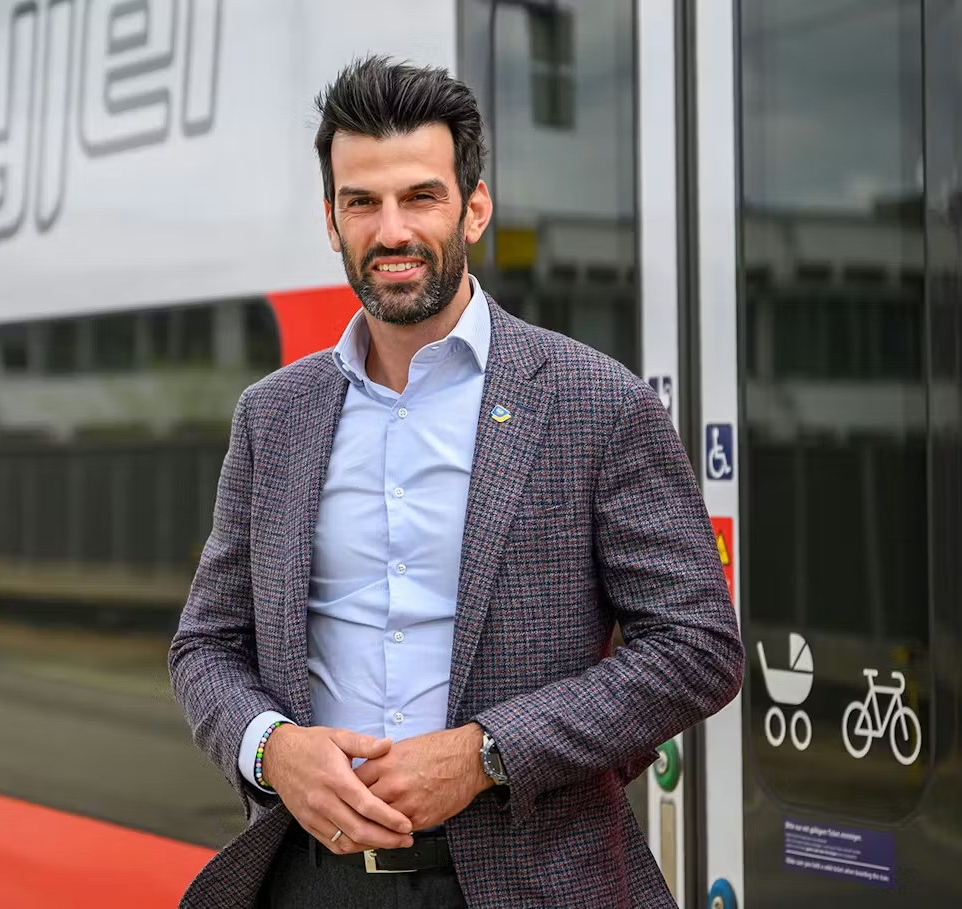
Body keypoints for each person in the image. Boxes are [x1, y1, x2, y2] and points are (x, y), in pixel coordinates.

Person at [167, 55, 744, 909]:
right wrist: (272, 749)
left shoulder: (595, 401)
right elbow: (206, 644)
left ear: (474, 207)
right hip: (310, 882)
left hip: (531, 883)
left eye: (421, 197)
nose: (391, 230)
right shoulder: (273, 416)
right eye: (362, 202)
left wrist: (485, 753)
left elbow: (697, 647)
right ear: (331, 220)